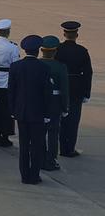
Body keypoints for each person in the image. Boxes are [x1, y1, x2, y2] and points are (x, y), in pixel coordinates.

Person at [9, 35, 51, 185]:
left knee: (24, 146)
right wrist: (47, 114)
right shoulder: (44, 68)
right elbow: (47, 93)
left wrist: (13, 110)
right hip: (38, 113)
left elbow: (11, 91)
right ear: (38, 50)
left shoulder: (15, 66)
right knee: (37, 146)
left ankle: (24, 176)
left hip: (21, 112)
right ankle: (34, 175)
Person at [55, 21, 92, 157]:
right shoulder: (82, 51)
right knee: (73, 120)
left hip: (60, 87)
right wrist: (86, 92)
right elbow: (88, 73)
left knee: (59, 119)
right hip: (76, 88)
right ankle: (69, 148)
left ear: (64, 34)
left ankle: (58, 145)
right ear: (76, 34)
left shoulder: (57, 49)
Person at [0, 19, 20, 147]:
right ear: (8, 32)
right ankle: (5, 136)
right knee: (7, 110)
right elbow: (15, 65)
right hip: (7, 80)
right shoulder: (12, 47)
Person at [40, 35, 69, 171]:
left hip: (38, 102)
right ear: (55, 51)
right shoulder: (60, 67)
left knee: (39, 132)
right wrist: (65, 106)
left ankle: (38, 157)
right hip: (54, 102)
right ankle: (51, 160)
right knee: (52, 133)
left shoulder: (38, 64)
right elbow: (64, 89)